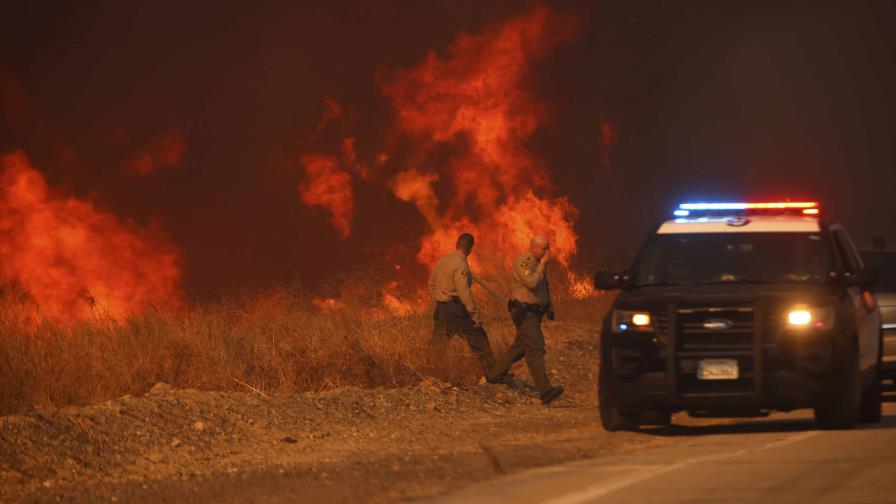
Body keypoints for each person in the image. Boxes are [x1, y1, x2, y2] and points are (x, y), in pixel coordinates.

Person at [487, 234, 564, 404]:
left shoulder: (538, 265)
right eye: (544, 248)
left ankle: (494, 374)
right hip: (524, 313)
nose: (547, 252)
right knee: (535, 347)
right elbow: (531, 283)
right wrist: (542, 266)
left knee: (520, 346)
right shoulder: (523, 262)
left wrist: (549, 307)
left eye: (548, 248)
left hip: (536, 313)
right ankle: (545, 390)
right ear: (534, 247)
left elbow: (544, 288)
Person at [428, 233, 497, 378]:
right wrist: (474, 314)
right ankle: (494, 375)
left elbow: (431, 284)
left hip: (441, 309)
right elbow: (464, 292)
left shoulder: (443, 260)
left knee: (438, 345)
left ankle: (434, 376)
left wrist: (441, 298)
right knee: (479, 338)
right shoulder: (461, 265)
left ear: (456, 245)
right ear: (470, 249)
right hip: (457, 309)